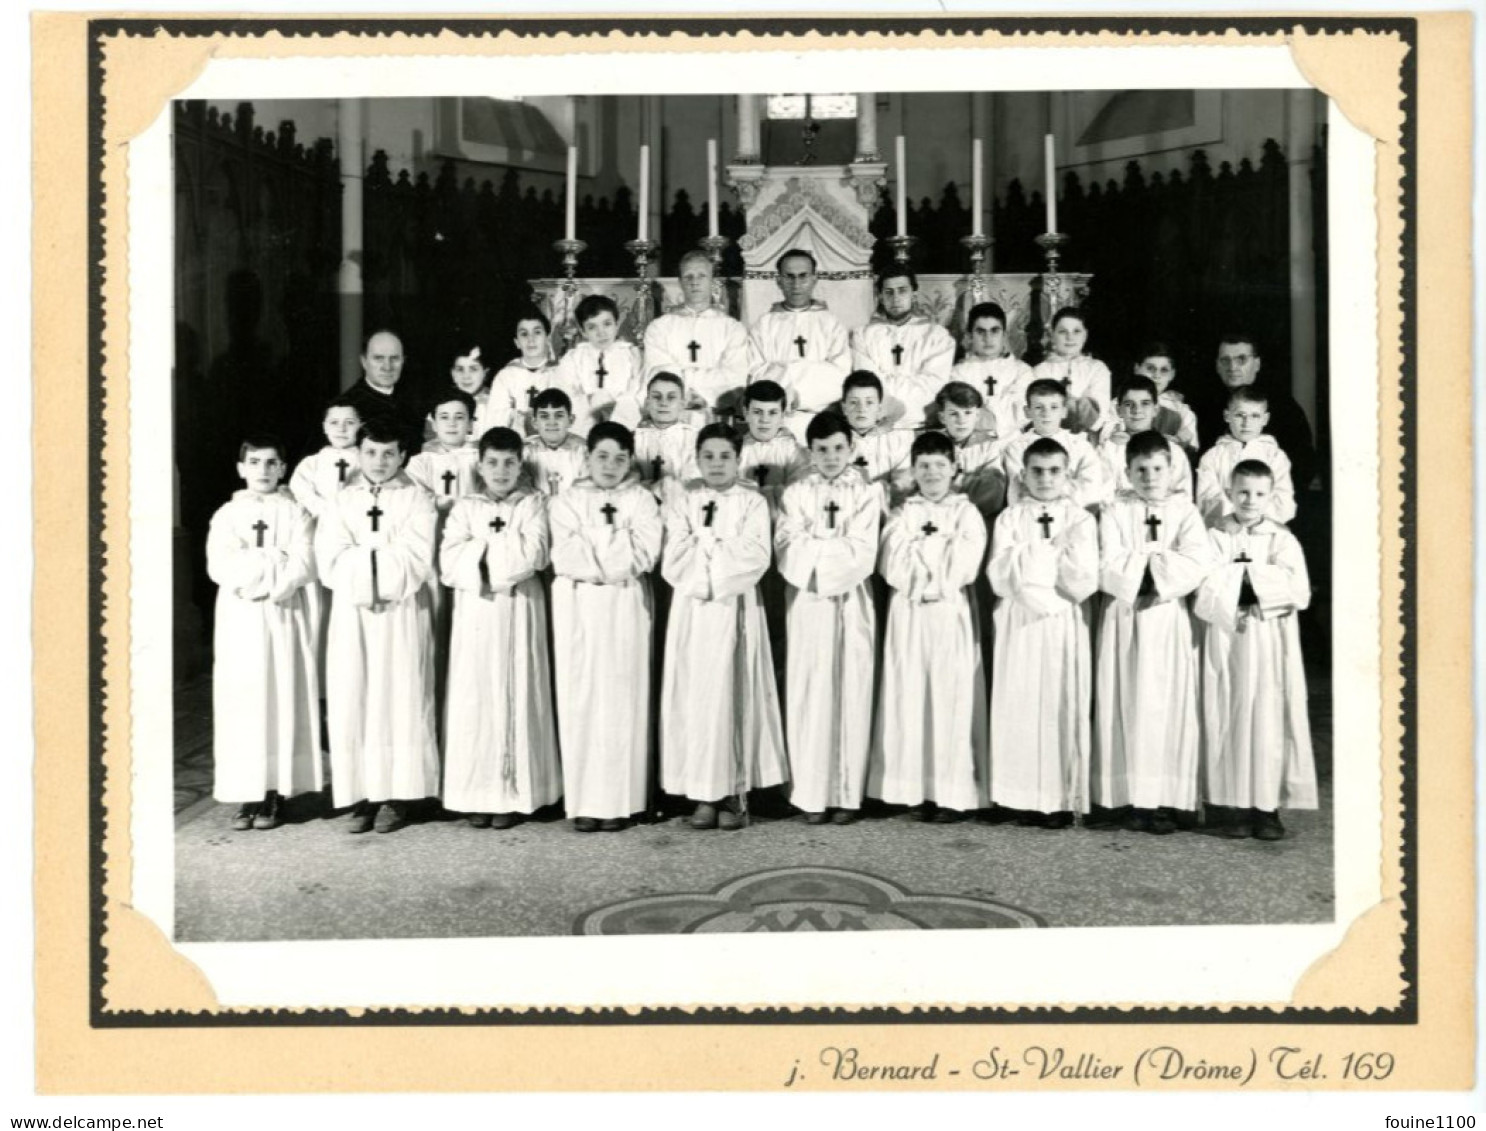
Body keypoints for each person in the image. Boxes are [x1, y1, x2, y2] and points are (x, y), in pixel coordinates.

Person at [659, 424, 790, 830]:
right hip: (693, 612)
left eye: (725, 457)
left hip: (734, 608)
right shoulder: (684, 501)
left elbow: (755, 555)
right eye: (709, 456)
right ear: (697, 459)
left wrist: (708, 551)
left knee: (731, 697)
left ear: (739, 460)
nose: (716, 464)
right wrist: (715, 555)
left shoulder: (751, 503)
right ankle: (702, 794)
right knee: (697, 701)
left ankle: (735, 792)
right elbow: (675, 556)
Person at [317, 420, 440, 834]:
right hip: (353, 613)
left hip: (401, 610)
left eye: (389, 453)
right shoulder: (340, 501)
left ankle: (398, 795)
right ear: (359, 454)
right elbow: (330, 557)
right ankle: (364, 794)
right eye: (371, 452)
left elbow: (417, 556)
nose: (380, 461)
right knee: (357, 695)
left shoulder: (417, 499)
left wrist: (369, 563)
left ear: (403, 456)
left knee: (400, 696)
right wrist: (374, 563)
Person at [439, 427, 562, 830]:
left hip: (520, 609)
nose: (501, 470)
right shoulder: (463, 508)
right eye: (492, 462)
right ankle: (478, 793)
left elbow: (535, 554)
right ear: (479, 465)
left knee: (519, 691)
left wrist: (484, 551)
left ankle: (518, 793)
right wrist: (500, 548)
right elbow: (450, 563)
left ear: (521, 465)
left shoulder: (533, 503)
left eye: (510, 462)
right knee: (477, 699)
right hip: (476, 614)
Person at [1092, 430, 1214, 834]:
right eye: (1140, 469)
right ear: (1127, 471)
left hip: (1165, 618)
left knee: (1164, 705)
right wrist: (1151, 570)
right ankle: (1124, 798)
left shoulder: (1185, 512)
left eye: (1157, 468)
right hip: (1125, 617)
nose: (1149, 476)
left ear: (1171, 468)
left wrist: (1150, 577)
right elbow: (1107, 560)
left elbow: (1197, 561)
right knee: (1124, 701)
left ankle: (1164, 800)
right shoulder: (1114, 510)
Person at [548, 421, 664, 832]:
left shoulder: (642, 500)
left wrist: (594, 542)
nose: (610, 465)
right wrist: (616, 542)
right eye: (602, 456)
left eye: (620, 457)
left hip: (625, 607)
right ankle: (584, 801)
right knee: (581, 698)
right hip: (578, 608)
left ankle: (621, 802)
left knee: (621, 699)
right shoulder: (565, 502)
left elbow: (645, 555)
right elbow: (566, 556)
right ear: (587, 457)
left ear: (631, 460)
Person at [1192, 460, 1317, 841]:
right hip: (1226, 639)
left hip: (1267, 643)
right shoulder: (1215, 536)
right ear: (1229, 493)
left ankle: (1266, 808)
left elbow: (1299, 590)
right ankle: (1229, 805)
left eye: (1259, 493)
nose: (1250, 500)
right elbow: (1204, 584)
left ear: (1271, 496)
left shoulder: (1282, 539)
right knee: (1224, 713)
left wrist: (1244, 581)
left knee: (1266, 716)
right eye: (1242, 491)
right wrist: (1253, 581)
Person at [868, 431, 989, 822]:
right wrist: (933, 559)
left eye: (940, 465)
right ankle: (913, 789)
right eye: (924, 466)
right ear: (913, 471)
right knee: (910, 695)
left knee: (950, 698)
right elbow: (891, 561)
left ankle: (951, 792)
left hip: (950, 612)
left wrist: (926, 564)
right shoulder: (903, 513)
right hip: (910, 614)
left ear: (954, 469)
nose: (933, 473)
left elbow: (967, 561)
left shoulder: (965, 512)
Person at [206, 434, 323, 831]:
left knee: (280, 694)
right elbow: (222, 566)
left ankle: (276, 791)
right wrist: (274, 560)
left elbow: (305, 562)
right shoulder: (225, 515)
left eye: (271, 463)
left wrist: (266, 573)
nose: (263, 470)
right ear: (241, 469)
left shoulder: (298, 513)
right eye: (255, 463)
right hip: (241, 618)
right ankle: (248, 792)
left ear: (283, 469)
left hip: (284, 612)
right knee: (244, 700)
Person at [775, 412, 883, 824]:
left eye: (839, 448)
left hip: (853, 601)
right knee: (810, 690)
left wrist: (819, 549)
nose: (832, 456)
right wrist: (828, 552)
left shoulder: (868, 494)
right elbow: (788, 545)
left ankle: (846, 794)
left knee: (851, 690)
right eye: (822, 450)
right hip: (808, 603)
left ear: (852, 448)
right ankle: (811, 794)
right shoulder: (796, 492)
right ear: (810, 451)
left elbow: (863, 549)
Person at [985, 437, 1099, 827]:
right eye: (1037, 470)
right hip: (1018, 622)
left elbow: (1082, 577)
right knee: (1016, 703)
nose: (1045, 479)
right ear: (1023, 473)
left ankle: (1058, 800)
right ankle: (1015, 797)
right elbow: (999, 576)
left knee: (1058, 704)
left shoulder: (1081, 519)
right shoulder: (1009, 518)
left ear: (1067, 475)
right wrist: (1049, 555)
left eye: (1054, 471)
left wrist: (1028, 558)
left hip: (1060, 622)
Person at [748, 249, 852, 444]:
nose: (796, 284)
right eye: (789, 277)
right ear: (778, 281)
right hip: (775, 423)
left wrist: (791, 380)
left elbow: (841, 376)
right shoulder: (764, 325)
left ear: (815, 279)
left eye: (803, 276)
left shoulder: (830, 323)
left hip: (822, 422)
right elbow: (755, 373)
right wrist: (787, 392)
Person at [1194, 333, 1317, 492]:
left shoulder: (1282, 406)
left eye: (1241, 359)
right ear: (1217, 365)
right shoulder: (1206, 407)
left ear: (1257, 364)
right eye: (1225, 360)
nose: (1232, 367)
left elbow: (1303, 463)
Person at [643, 249, 752, 423]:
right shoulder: (660, 327)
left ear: (712, 281)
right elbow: (659, 374)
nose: (695, 282)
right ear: (680, 282)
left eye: (701, 276)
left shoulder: (732, 328)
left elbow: (735, 377)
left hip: (717, 418)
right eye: (688, 276)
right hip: (672, 419)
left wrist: (700, 394)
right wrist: (705, 382)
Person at [850, 270, 956, 430]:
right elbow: (868, 386)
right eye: (888, 292)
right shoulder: (863, 335)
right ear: (880, 297)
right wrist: (911, 384)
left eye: (902, 290)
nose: (896, 298)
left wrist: (888, 388)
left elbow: (933, 387)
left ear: (914, 294)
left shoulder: (937, 336)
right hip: (877, 425)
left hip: (922, 424)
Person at [1195, 386, 1298, 526]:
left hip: (1265, 529)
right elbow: (1208, 498)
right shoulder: (1212, 457)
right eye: (1239, 415)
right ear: (1227, 416)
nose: (1246, 423)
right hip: (1224, 528)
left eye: (1255, 416)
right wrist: (1234, 520)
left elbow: (1284, 502)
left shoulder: (1275, 456)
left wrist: (1255, 521)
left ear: (1265, 419)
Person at [1000, 378, 1110, 510]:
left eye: (1054, 407)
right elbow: (1018, 491)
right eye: (1039, 407)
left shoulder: (1080, 446)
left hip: (1075, 515)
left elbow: (1091, 489)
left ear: (1064, 412)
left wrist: (1043, 488)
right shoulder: (1016, 448)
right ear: (1027, 412)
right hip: (1031, 515)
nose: (1046, 413)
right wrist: (1070, 485)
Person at [489, 307, 587, 438]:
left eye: (537, 332)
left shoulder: (563, 372)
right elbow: (496, 418)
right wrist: (522, 420)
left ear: (547, 338)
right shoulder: (506, 376)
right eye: (524, 334)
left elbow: (575, 413)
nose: (531, 339)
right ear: (517, 342)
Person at [555, 294, 645, 430]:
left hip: (624, 422)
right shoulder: (573, 357)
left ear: (616, 324)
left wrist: (616, 410)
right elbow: (565, 392)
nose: (601, 333)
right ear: (583, 331)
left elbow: (639, 390)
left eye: (607, 324)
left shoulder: (632, 354)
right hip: (584, 424)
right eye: (592, 327)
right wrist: (594, 403)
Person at [1097, 377, 1195, 500]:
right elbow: (1103, 496)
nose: (1137, 410)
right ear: (1118, 410)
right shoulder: (1109, 450)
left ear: (1156, 409)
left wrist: (1130, 496)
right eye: (1129, 404)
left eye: (1145, 403)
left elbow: (1183, 498)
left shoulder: (1174, 451)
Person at [949, 301, 1033, 438]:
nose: (988, 338)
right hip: (971, 444)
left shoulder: (1022, 371)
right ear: (970, 336)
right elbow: (958, 414)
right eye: (980, 331)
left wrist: (984, 412)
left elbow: (1022, 413)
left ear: (1004, 335)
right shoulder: (958, 373)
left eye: (994, 331)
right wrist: (1003, 404)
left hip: (1014, 443)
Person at [1029, 307, 1113, 436]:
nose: (1070, 337)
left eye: (1076, 331)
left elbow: (1096, 419)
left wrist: (1061, 404)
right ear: (1052, 335)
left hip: (1086, 440)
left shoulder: (1097, 369)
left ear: (1085, 335)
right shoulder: (1040, 371)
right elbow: (1037, 414)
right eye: (1063, 332)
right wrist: (1077, 403)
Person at [839, 371, 914, 509]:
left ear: (879, 407)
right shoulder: (832, 441)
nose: (861, 409)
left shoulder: (898, 439)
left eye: (869, 402)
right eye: (854, 402)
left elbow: (903, 484)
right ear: (844, 408)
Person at [343, 329, 425, 455]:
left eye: (394, 358)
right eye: (378, 358)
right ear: (364, 362)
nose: (387, 367)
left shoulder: (414, 403)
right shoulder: (345, 407)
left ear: (403, 361)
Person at [934, 381, 1008, 520]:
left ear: (977, 416)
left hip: (976, 518)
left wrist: (953, 481)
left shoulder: (988, 445)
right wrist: (972, 483)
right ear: (942, 418)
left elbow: (993, 489)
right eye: (953, 414)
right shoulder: (931, 443)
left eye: (968, 413)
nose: (961, 421)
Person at [737, 379, 811, 511]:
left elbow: (801, 490)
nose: (764, 420)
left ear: (782, 416)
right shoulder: (736, 451)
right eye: (757, 412)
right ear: (746, 413)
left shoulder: (794, 452)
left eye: (772, 413)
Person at [633, 371, 700, 508]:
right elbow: (629, 480)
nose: (663, 403)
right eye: (656, 397)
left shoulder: (694, 439)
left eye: (671, 397)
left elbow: (692, 479)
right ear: (647, 403)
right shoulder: (634, 438)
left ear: (682, 404)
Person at [289, 397, 363, 518]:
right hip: (321, 524)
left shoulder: (368, 463)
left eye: (349, 422)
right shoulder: (311, 463)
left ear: (360, 425)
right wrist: (327, 512)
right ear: (324, 427)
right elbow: (301, 491)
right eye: (334, 422)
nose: (341, 429)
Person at [423, 342, 495, 450]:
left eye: (473, 369)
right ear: (452, 373)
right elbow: (431, 443)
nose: (466, 376)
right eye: (460, 369)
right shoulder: (441, 404)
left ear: (485, 373)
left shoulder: (496, 403)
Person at [1132, 340, 1199, 454]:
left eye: (1164, 370)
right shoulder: (1121, 403)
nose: (1156, 375)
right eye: (1150, 368)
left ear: (1172, 374)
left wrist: (1183, 443)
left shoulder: (1182, 411)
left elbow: (1191, 452)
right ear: (1136, 368)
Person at [521, 388, 589, 498]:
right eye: (544, 416)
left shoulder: (583, 450)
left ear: (571, 420)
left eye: (559, 415)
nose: (551, 422)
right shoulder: (525, 451)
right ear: (534, 422)